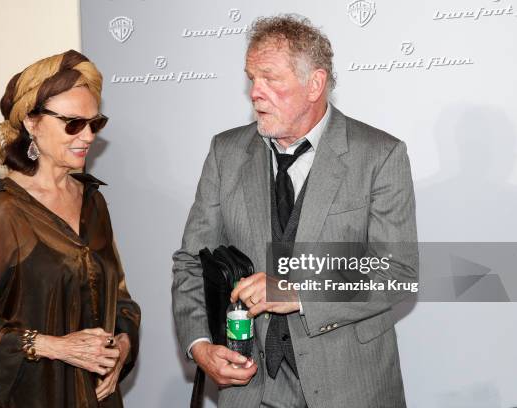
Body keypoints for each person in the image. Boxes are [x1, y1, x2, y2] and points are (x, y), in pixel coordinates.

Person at [172, 15, 418, 407]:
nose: (255, 92)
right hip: (251, 389)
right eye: (252, 78)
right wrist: (200, 345)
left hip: (350, 387)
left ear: (314, 84)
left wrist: (299, 289)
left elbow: (398, 272)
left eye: (270, 78)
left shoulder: (379, 155)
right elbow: (191, 261)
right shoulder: (225, 152)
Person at [0, 50, 140, 407]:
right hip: (31, 396)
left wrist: (121, 350)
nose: (87, 136)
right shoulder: (0, 212)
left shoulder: (92, 201)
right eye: (72, 123)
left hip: (94, 397)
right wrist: (54, 346)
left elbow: (121, 300)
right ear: (31, 123)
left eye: (94, 123)